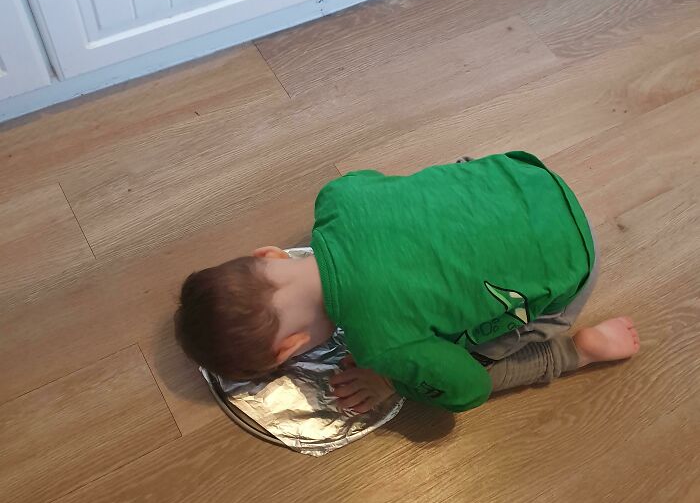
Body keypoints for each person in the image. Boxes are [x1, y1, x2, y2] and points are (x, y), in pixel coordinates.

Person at [175, 152, 640, 414]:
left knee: (470, 362)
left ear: (289, 350)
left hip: (569, 270)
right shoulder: (336, 197)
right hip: (526, 179)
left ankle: (574, 352)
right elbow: (373, 183)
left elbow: (467, 390)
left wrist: (393, 380)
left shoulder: (384, 347)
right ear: (269, 255)